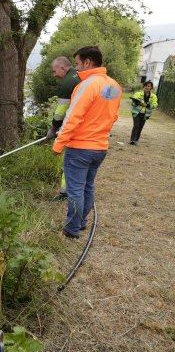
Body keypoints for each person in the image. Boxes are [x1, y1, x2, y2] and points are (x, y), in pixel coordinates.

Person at [52, 46, 122, 239]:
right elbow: (113, 116)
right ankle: (81, 222)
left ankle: (71, 229)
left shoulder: (87, 85)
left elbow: (72, 117)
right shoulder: (114, 86)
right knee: (88, 186)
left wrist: (58, 144)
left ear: (88, 62)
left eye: (77, 64)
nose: (76, 68)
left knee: (75, 190)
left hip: (80, 148)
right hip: (100, 148)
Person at [46, 56, 81, 199]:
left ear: (63, 67)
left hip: (75, 129)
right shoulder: (79, 76)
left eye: (55, 71)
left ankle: (65, 192)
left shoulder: (68, 82)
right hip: (87, 126)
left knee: (70, 160)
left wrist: (53, 128)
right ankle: (70, 190)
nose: (54, 75)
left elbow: (60, 111)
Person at [129, 81, 158, 145]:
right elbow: (133, 102)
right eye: (146, 86)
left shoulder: (154, 96)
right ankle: (132, 140)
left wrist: (149, 105)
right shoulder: (138, 94)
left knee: (140, 126)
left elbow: (155, 104)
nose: (147, 87)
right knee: (136, 125)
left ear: (151, 88)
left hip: (146, 114)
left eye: (148, 86)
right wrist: (136, 102)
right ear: (143, 86)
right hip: (136, 112)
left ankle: (136, 140)